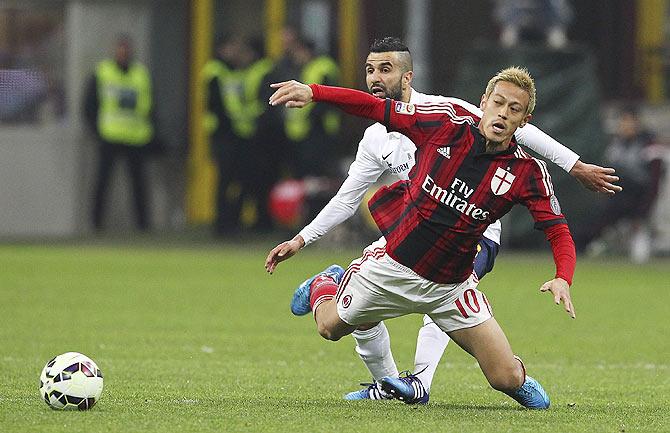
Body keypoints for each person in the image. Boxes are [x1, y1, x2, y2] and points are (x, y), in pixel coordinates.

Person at [266, 37, 620, 403]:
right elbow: (368, 115)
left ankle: (494, 377)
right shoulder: (440, 124)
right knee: (328, 328)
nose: (501, 114)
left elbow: (558, 230)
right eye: (497, 104)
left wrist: (564, 276)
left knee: (506, 378)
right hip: (394, 265)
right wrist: (315, 92)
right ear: (483, 104)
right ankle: (328, 285)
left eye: (513, 110)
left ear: (523, 121)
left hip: (451, 285)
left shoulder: (525, 171)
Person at [203, 36, 276, 235]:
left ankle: (233, 222)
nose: (237, 53)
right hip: (226, 134)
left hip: (244, 135)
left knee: (241, 180)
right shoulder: (217, 71)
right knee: (228, 181)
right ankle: (224, 224)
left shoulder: (238, 71)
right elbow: (219, 105)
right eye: (233, 48)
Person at [84, 35, 154, 231]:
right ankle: (96, 224)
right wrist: (96, 131)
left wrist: (151, 133)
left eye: (126, 50)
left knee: (139, 186)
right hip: (110, 136)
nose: (123, 54)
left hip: (136, 136)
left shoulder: (141, 74)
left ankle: (143, 226)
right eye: (120, 50)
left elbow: (150, 105)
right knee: (102, 183)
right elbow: (89, 105)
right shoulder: (103, 72)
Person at [577, 106, 664, 262]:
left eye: (628, 121)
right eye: (622, 121)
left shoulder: (649, 145)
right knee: (595, 222)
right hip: (617, 196)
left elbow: (654, 182)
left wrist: (642, 211)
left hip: (639, 198)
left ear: (637, 123)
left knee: (639, 254)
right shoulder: (616, 145)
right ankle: (585, 247)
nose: (625, 126)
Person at [283, 36, 341, 178]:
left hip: (320, 128)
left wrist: (311, 118)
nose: (295, 57)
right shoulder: (308, 68)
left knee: (317, 172)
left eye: (297, 52)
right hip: (305, 130)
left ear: (305, 51)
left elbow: (324, 98)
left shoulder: (323, 67)